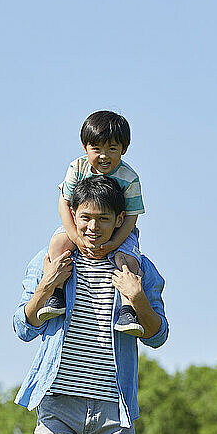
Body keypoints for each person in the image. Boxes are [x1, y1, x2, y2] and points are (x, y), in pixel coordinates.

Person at [13, 176, 170, 434]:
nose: (93, 227)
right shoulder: (52, 259)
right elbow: (23, 327)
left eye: (103, 219)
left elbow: (158, 336)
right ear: (72, 214)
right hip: (58, 405)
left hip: (114, 409)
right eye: (85, 217)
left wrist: (137, 298)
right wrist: (47, 286)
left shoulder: (137, 268)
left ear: (119, 221)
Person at [39, 110, 146, 336]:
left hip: (120, 230)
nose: (104, 156)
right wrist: (76, 238)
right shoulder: (77, 168)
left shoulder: (130, 178)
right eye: (97, 149)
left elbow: (131, 216)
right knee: (58, 245)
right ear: (85, 147)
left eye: (112, 149)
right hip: (77, 225)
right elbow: (64, 203)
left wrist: (114, 243)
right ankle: (56, 295)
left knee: (129, 261)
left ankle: (127, 309)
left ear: (124, 149)